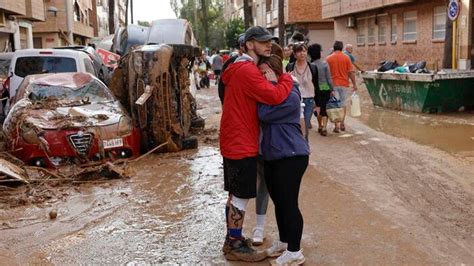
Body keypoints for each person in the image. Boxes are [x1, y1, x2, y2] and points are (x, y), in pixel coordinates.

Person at [220, 26, 293, 262]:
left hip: (233, 138)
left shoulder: (236, 67)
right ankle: (234, 245)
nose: (268, 44)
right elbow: (274, 97)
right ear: (249, 44)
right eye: (262, 42)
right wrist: (286, 79)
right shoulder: (247, 70)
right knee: (240, 196)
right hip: (242, 140)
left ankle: (233, 239)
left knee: (235, 194)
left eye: (269, 41)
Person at [257, 54, 310, 265]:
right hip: (273, 155)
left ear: (276, 72)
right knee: (279, 202)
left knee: (289, 204)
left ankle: (295, 252)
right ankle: (284, 242)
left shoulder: (291, 95)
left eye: (265, 73)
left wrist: (270, 87)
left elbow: (264, 114)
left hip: (292, 156)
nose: (262, 77)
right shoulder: (270, 93)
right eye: (259, 73)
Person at [286, 43, 319, 140]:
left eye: (304, 51)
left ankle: (304, 147)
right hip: (295, 100)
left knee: (305, 125)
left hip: (309, 100)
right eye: (299, 51)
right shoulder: (290, 66)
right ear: (295, 54)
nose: (302, 53)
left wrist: (318, 104)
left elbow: (316, 85)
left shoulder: (312, 67)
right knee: (296, 125)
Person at [326, 41, 358, 132]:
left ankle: (336, 126)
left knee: (335, 104)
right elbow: (351, 72)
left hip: (333, 85)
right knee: (343, 103)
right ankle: (342, 123)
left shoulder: (328, 58)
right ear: (342, 48)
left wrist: (325, 86)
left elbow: (326, 73)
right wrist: (354, 84)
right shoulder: (346, 58)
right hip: (344, 84)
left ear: (334, 47)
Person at [308, 43, 333, 136]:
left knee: (318, 106)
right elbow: (329, 78)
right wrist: (332, 89)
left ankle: (319, 126)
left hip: (315, 89)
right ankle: (325, 128)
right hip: (325, 87)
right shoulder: (324, 64)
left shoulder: (310, 65)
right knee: (324, 107)